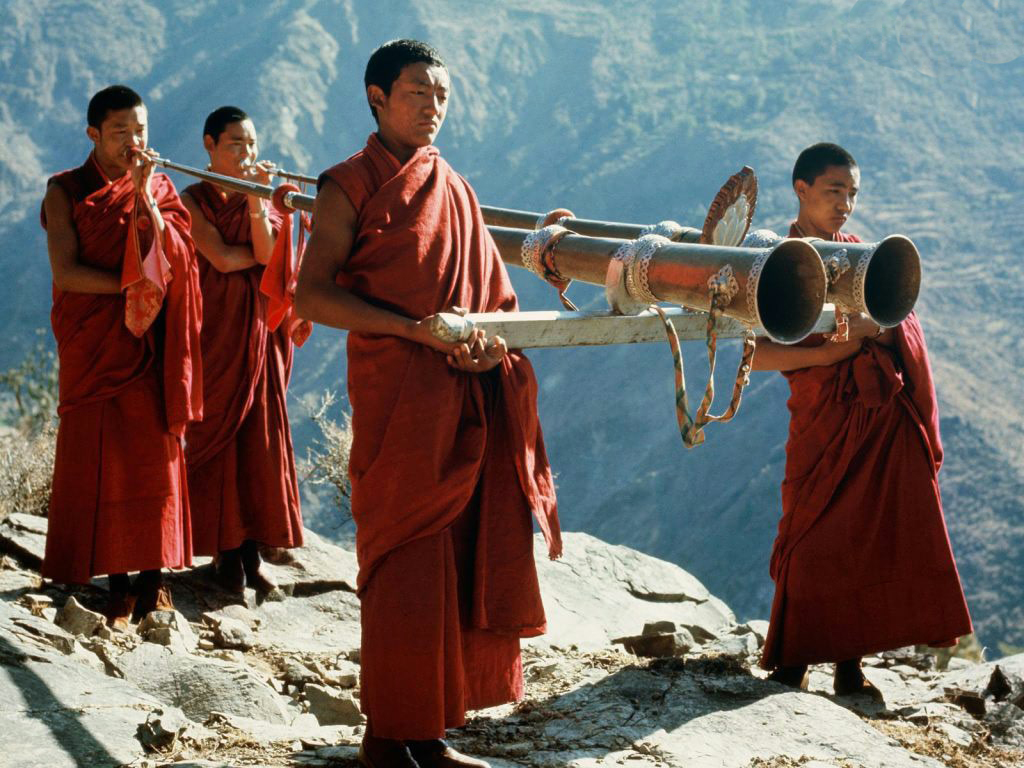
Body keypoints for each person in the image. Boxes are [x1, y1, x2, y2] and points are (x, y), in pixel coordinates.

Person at [294, 40, 561, 768]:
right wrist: (411, 330)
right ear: (377, 98)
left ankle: (430, 733)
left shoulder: (457, 188)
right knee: (405, 563)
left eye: (441, 95)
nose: (432, 107)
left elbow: (494, 304)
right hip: (398, 401)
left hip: (461, 396)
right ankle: (386, 739)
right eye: (417, 93)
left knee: (455, 559)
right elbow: (311, 293)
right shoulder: (346, 186)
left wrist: (490, 349)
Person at [753, 142, 972, 696]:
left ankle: (851, 664)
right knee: (810, 534)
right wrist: (826, 356)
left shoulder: (863, 256)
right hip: (824, 418)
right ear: (801, 190)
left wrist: (883, 330)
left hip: (880, 417)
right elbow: (755, 352)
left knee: (865, 540)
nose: (845, 204)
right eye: (834, 191)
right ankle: (795, 660)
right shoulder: (774, 259)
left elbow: (904, 324)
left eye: (852, 193)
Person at [40, 85, 202, 628]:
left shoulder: (159, 186)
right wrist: (134, 285)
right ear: (93, 134)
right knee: (102, 461)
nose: (134, 143)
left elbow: (178, 258)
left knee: (154, 457)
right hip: (95, 344)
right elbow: (67, 273)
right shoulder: (65, 189)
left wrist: (146, 200)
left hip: (151, 345)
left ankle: (155, 583)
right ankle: (114, 585)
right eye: (120, 134)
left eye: (141, 132)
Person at [181, 106, 303, 595]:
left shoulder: (267, 201)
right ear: (209, 146)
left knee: (260, 439)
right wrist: (255, 255)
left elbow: (269, 256)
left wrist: (257, 202)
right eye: (235, 144)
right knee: (219, 437)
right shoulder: (190, 198)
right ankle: (222, 555)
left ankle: (252, 554)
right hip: (213, 333)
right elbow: (221, 256)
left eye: (252, 145)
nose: (247, 154)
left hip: (260, 333)